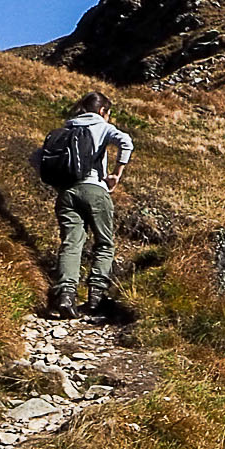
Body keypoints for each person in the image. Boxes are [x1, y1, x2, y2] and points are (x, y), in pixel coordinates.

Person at [42, 92, 134, 319]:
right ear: (102, 111)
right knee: (104, 243)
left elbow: (37, 159)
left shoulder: (64, 130)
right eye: (108, 113)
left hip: (66, 193)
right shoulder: (101, 126)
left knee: (71, 243)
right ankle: (95, 297)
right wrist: (115, 175)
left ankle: (65, 296)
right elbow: (126, 142)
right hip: (95, 190)